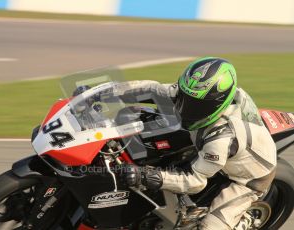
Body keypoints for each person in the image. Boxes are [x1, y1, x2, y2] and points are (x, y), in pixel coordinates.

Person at [117, 57, 277, 230]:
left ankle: (243, 222)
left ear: (218, 104)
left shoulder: (222, 137)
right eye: (185, 99)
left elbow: (194, 182)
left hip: (248, 177)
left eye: (197, 106)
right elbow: (153, 90)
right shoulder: (193, 92)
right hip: (221, 142)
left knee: (210, 227)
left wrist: (144, 176)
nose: (185, 109)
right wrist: (101, 92)